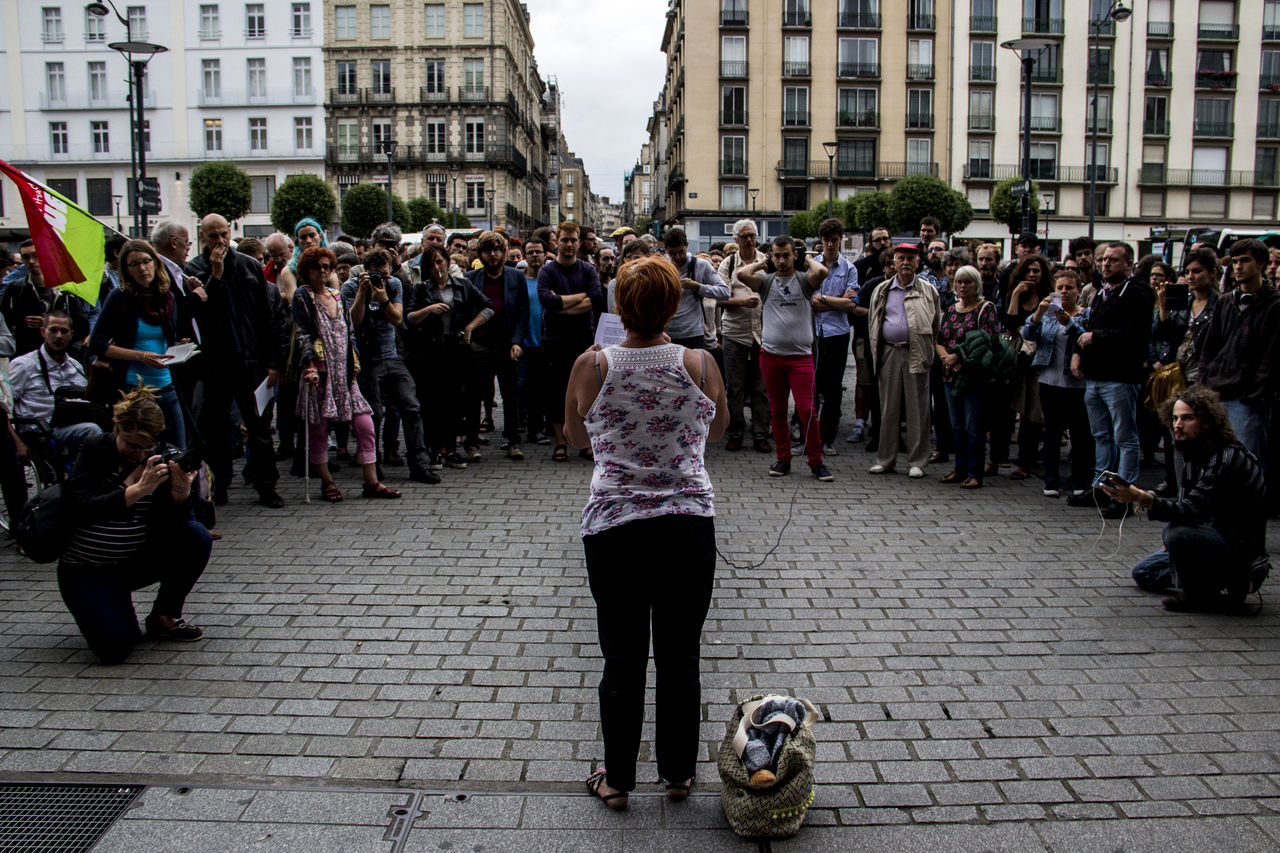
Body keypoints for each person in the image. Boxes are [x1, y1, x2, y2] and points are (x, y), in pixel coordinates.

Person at [563, 254, 728, 812]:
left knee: (623, 654)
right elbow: (720, 427)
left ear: (620, 305)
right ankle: (679, 773)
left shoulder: (593, 364)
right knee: (681, 653)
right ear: (673, 304)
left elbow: (576, 437)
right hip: (687, 521)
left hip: (615, 525)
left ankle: (617, 779)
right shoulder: (701, 363)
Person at [57, 387, 211, 664]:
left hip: (131, 561)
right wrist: (138, 490)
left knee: (196, 535)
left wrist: (180, 494)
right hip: (86, 568)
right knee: (114, 649)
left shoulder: (161, 458)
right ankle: (109, 604)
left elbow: (177, 525)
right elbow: (80, 507)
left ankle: (165, 614)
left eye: (146, 446)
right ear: (117, 429)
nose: (139, 452)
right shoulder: (94, 449)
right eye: (132, 444)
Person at [1104, 386, 1268, 613]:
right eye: (1174, 418)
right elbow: (1187, 502)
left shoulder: (1226, 457)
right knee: (1144, 572)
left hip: (1239, 550)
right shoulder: (1194, 450)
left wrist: (1142, 498)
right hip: (1212, 533)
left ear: (1207, 422)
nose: (1178, 425)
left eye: (1187, 418)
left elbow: (1190, 510)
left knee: (1176, 533)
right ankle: (1210, 585)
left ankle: (1209, 591)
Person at [185, 213, 284, 508]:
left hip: (251, 359)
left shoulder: (249, 265)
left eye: (223, 234)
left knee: (260, 427)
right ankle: (221, 486)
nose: (220, 241)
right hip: (215, 363)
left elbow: (268, 317)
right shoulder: (195, 269)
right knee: (216, 430)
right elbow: (200, 314)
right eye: (213, 235)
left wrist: (273, 361)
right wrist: (214, 277)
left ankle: (266, 486)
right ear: (203, 236)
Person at [293, 246, 407, 500]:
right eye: (316, 267)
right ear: (306, 271)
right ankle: (327, 482)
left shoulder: (335, 295)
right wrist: (309, 364)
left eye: (326, 266)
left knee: (365, 425)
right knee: (320, 430)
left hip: (345, 372)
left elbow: (350, 328)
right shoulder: (303, 296)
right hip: (321, 374)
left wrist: (353, 361)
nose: (322, 271)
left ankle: (371, 482)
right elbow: (302, 333)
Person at [736, 235, 832, 480]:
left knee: (807, 410)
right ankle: (783, 459)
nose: (781, 260)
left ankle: (816, 461)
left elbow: (821, 272)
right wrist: (762, 262)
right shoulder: (766, 282)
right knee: (777, 411)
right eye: (776, 256)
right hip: (772, 357)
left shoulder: (804, 281)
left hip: (801, 358)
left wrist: (808, 258)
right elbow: (742, 275)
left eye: (786, 255)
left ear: (794, 255)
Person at [1068, 242, 1153, 518]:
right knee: (1101, 436)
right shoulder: (1101, 294)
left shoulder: (1137, 292)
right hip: (1095, 376)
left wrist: (1096, 338)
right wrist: (1079, 353)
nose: (1105, 264)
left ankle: (1125, 495)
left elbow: (1134, 333)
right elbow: (1090, 327)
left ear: (1129, 264)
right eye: (1103, 259)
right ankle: (1101, 487)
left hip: (1121, 377)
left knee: (1125, 437)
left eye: (1113, 260)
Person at [339, 248, 436, 482]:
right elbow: (353, 322)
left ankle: (420, 466)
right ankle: (373, 464)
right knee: (373, 413)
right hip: (366, 360)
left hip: (392, 356)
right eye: (375, 274)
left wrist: (383, 299)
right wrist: (363, 293)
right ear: (365, 271)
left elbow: (397, 319)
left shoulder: (393, 285)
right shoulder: (351, 287)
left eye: (384, 273)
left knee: (411, 407)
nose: (379, 279)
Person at [90, 240, 195, 449]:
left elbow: (166, 337)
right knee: (143, 451)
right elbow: (97, 344)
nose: (142, 269)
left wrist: (177, 346)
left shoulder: (167, 297)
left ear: (155, 263)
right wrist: (140, 356)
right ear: (126, 270)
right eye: (134, 264)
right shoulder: (120, 297)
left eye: (146, 261)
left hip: (166, 385)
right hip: (134, 390)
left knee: (179, 451)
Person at [405, 243, 491, 469]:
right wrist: (428, 310)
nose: (436, 267)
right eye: (431, 263)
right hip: (430, 352)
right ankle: (433, 450)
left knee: (455, 401)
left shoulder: (462, 285)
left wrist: (471, 326)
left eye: (440, 261)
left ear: (447, 261)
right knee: (432, 402)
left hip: (455, 349)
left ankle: (451, 448)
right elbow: (409, 318)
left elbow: (487, 307)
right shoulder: (421, 289)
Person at [1198, 238, 1280, 474]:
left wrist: (1254, 394)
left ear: (1261, 264)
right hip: (1218, 392)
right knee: (1217, 460)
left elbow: (1271, 356)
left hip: (1247, 398)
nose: (1238, 267)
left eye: (1245, 261)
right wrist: (1205, 383)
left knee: (1248, 461)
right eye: (1234, 262)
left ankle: (1251, 509)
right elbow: (1210, 347)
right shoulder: (1226, 301)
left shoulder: (1274, 304)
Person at [867, 243, 942, 478]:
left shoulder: (929, 291)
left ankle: (917, 461)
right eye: (901, 258)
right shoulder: (882, 289)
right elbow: (874, 321)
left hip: (916, 351)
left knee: (917, 408)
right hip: (889, 352)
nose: (906, 263)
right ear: (894, 262)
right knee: (888, 407)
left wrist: (928, 349)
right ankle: (886, 459)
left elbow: (936, 324)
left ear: (918, 262)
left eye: (911, 258)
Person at [537, 221, 605, 462]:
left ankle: (585, 442)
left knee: (586, 392)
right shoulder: (547, 271)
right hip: (554, 340)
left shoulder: (587, 270)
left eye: (573, 240)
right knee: (556, 391)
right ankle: (560, 442)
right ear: (557, 241)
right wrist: (578, 299)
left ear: (578, 242)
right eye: (564, 240)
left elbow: (595, 298)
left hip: (583, 339)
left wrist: (563, 306)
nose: (569, 244)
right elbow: (548, 301)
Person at [1025, 269, 1092, 498]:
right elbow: (1028, 333)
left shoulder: (1086, 314)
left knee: (1080, 434)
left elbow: (1086, 341)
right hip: (1049, 380)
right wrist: (1038, 314)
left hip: (1076, 383)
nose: (1064, 292)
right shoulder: (1048, 314)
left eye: (1069, 287)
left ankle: (1079, 479)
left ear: (1078, 290)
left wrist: (1070, 323)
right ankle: (1051, 480)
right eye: (1060, 287)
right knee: (1052, 434)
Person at [465, 231, 530, 461]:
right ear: (481, 254)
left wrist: (516, 341)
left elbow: (523, 312)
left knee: (510, 396)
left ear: (503, 252)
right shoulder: (472, 278)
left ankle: (513, 440)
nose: (493, 254)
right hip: (480, 344)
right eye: (487, 250)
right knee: (475, 395)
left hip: (506, 343)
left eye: (497, 249)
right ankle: (471, 442)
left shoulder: (515, 277)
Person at [934, 266, 1001, 489]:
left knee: (974, 426)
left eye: (968, 282)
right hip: (949, 376)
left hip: (973, 377)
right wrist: (946, 357)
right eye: (960, 282)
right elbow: (940, 338)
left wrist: (958, 357)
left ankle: (975, 472)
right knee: (957, 426)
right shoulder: (951, 310)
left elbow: (988, 341)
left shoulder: (986, 309)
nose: (963, 286)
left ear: (977, 284)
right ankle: (959, 468)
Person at [9, 309, 103, 463]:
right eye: (53, 330)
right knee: (91, 431)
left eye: (63, 331)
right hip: (39, 432)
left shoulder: (75, 366)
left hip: (71, 425)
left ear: (71, 335)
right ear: (43, 331)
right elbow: (3, 408)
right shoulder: (24, 365)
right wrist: (16, 442)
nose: (58, 336)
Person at [716, 219, 770, 453]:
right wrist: (742, 302)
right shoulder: (726, 265)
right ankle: (736, 431)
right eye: (744, 236)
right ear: (736, 240)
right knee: (735, 387)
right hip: (735, 333)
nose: (749, 239)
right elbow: (719, 298)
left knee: (761, 386)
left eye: (752, 235)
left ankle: (760, 432)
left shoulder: (767, 262)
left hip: (764, 333)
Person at [1003, 254, 1054, 480]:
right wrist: (1014, 295)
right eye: (1028, 271)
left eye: (1036, 271)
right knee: (1022, 412)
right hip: (1019, 358)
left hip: (1041, 360)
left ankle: (1029, 460)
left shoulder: (1049, 299)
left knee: (1035, 413)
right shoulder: (1017, 295)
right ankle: (1023, 459)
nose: (1032, 275)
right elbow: (1010, 326)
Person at [811, 218, 858, 455]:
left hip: (838, 334)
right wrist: (837, 302)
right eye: (826, 240)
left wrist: (825, 300)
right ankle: (808, 437)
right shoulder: (812, 266)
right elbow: (810, 301)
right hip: (814, 334)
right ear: (821, 241)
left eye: (834, 240)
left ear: (841, 240)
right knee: (811, 385)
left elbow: (851, 304)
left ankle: (827, 438)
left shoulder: (850, 269)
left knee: (833, 388)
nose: (830, 244)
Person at [659, 228, 730, 350]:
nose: (677, 256)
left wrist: (698, 287)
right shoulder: (662, 267)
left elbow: (725, 292)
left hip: (693, 333)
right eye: (672, 253)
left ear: (687, 245)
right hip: (668, 333)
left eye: (681, 251)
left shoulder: (701, 265)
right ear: (666, 249)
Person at [518, 239, 550, 446]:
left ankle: (536, 430)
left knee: (539, 390)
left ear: (545, 254)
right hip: (521, 343)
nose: (535, 255)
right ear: (525, 256)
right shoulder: (518, 281)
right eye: (530, 252)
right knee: (519, 389)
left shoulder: (549, 282)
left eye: (538, 251)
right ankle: (515, 430)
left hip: (543, 343)